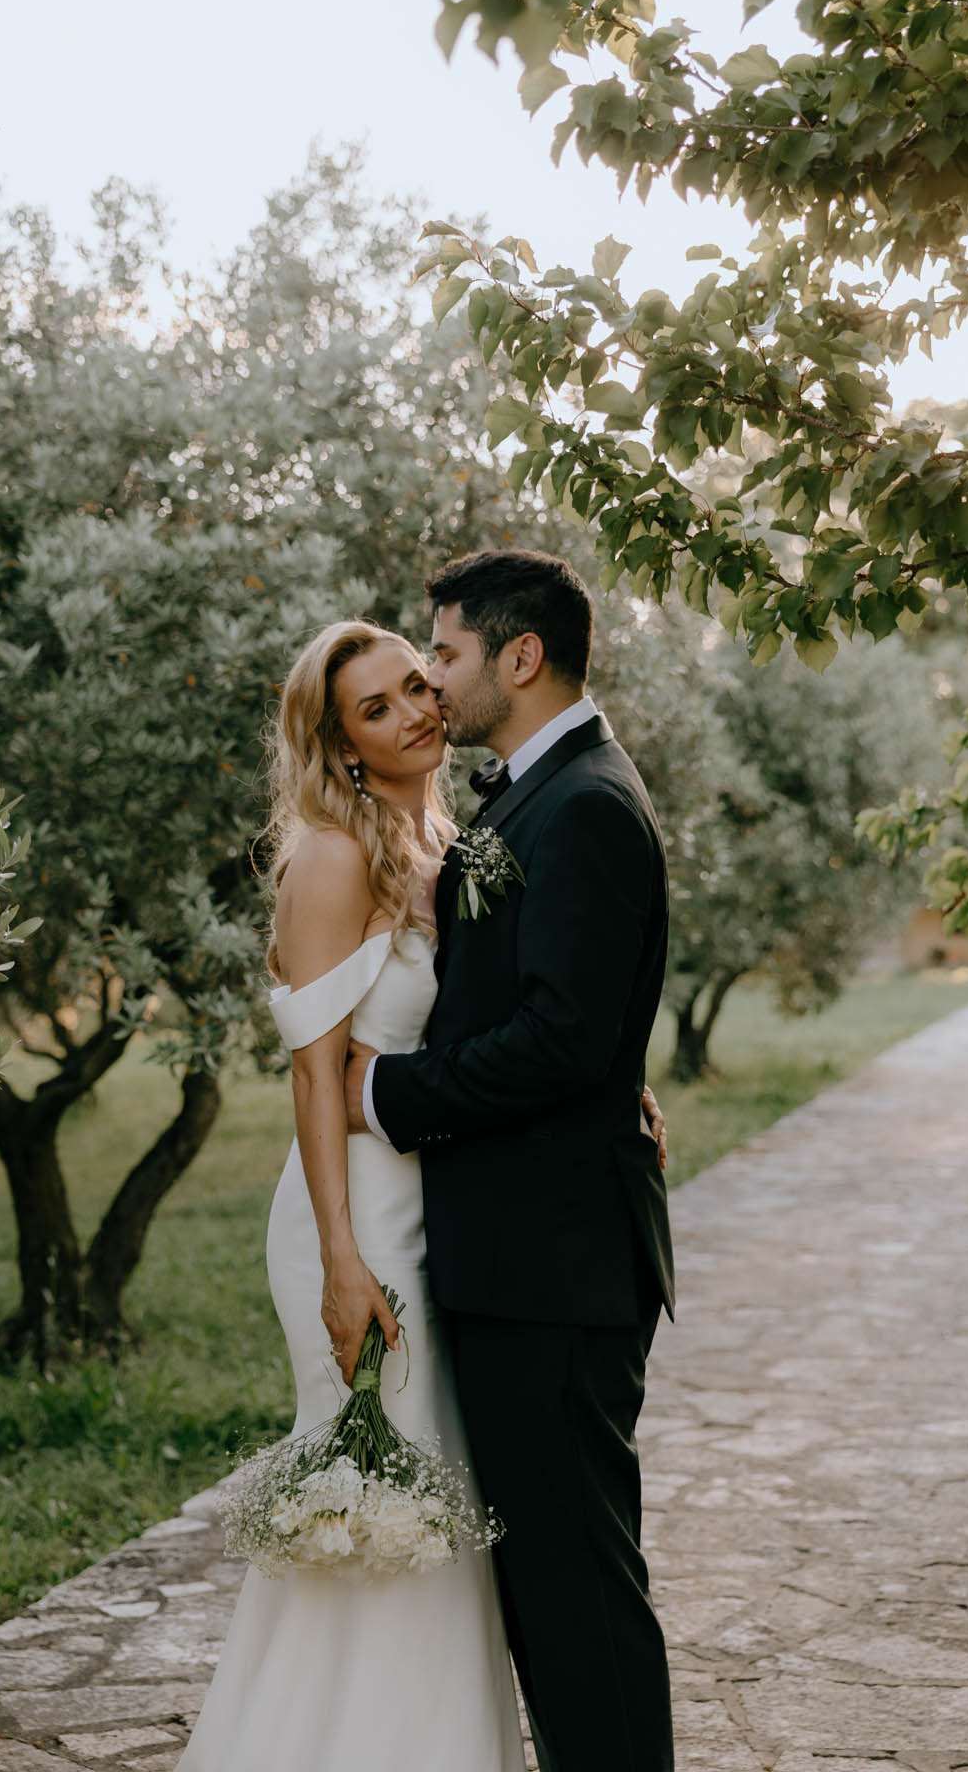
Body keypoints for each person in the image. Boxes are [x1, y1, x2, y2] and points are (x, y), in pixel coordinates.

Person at [180, 590, 670, 1772]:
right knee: (373, 1509)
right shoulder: (334, 852)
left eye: (420, 676)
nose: (419, 705)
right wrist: (342, 1263)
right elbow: (314, 1080)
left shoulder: (454, 838)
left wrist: (615, 1082)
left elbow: (533, 1005)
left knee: (443, 1520)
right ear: (339, 738)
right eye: (381, 701)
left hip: (448, 1213)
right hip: (360, 1223)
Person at [345, 548, 676, 1772]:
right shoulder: (540, 790)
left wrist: (380, 1090)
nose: (434, 677)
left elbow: (557, 1040)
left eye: (446, 651)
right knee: (554, 1591)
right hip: (533, 1257)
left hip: (556, 1269)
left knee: (580, 1594)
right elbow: (570, 1015)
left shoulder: (582, 800)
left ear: (519, 657)